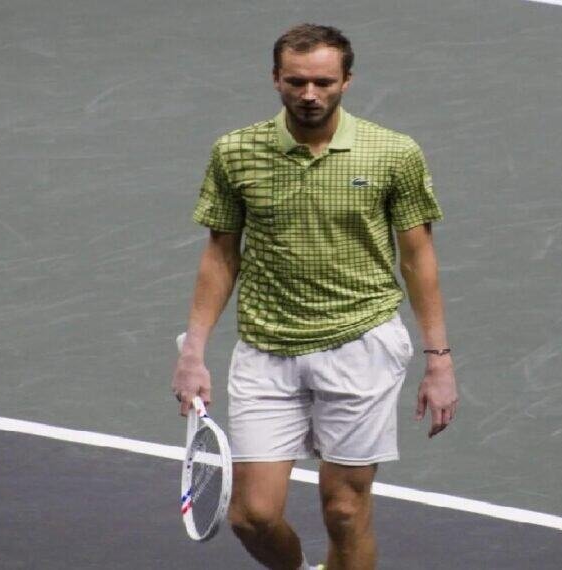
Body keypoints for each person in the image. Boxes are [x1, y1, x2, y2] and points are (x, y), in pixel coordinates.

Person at [171, 23, 457, 570]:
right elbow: (220, 254)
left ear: (346, 81)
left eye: (323, 82)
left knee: (345, 511)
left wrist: (438, 360)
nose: (309, 94)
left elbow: (418, 258)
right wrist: (194, 354)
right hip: (266, 349)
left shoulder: (393, 153)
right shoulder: (235, 152)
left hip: (361, 343)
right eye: (296, 81)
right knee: (252, 515)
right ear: (275, 79)